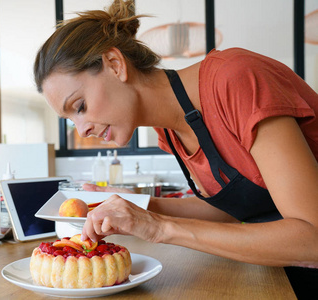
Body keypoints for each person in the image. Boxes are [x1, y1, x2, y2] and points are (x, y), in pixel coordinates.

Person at [33, 0, 318, 297]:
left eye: (80, 106)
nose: (82, 130)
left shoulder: (236, 80)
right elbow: (232, 211)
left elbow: (312, 238)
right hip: (283, 274)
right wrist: (142, 206)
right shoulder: (168, 133)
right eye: (70, 119)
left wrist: (160, 227)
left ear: (115, 65)